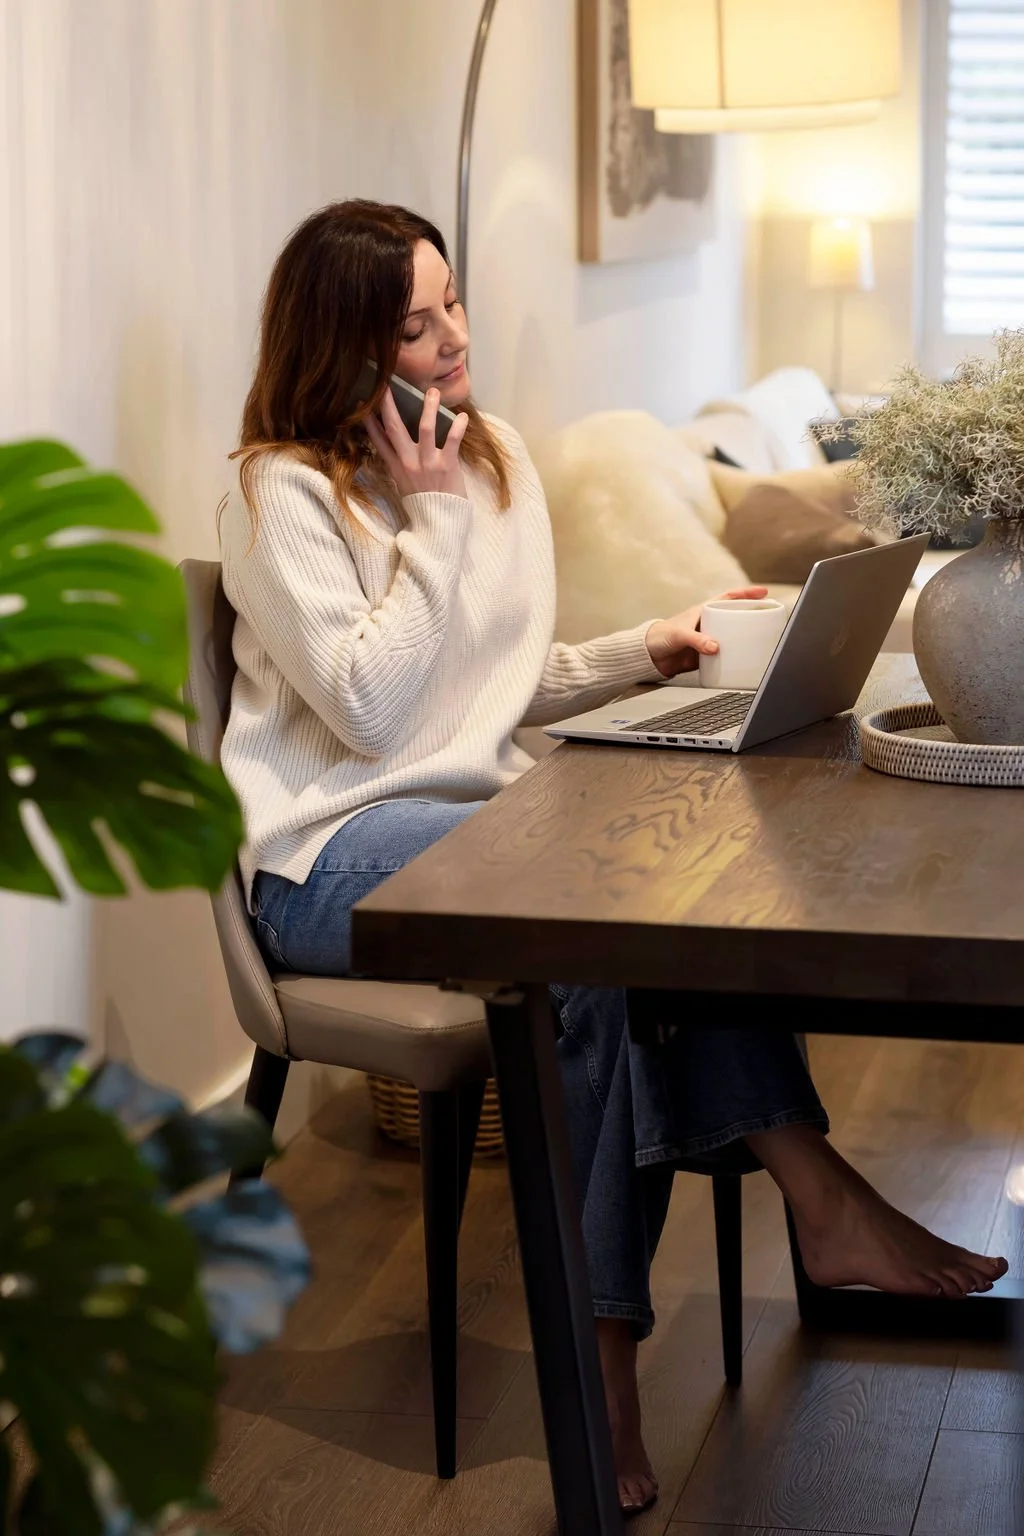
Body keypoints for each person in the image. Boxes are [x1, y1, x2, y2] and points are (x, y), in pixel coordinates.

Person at [218, 199, 1008, 1518]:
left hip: (468, 821)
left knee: (648, 920)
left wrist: (642, 652)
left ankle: (627, 1342)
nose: (452, 337)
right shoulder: (280, 494)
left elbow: (493, 685)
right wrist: (420, 518)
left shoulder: (494, 460)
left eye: (452, 303)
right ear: (342, 348)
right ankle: (745, 1245)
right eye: (413, 325)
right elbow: (369, 715)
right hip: (334, 859)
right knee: (593, 937)